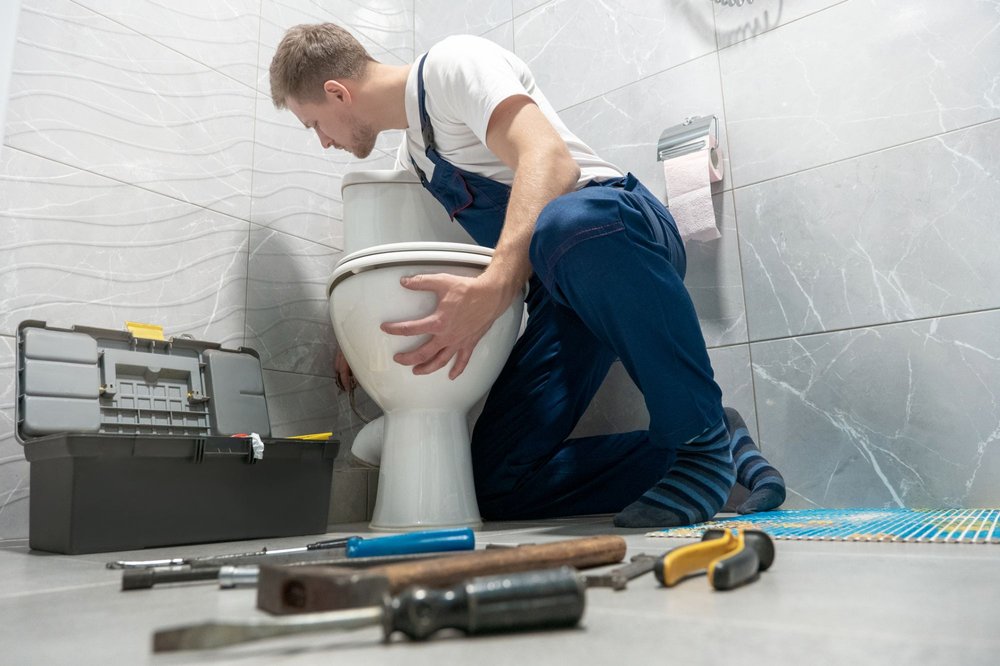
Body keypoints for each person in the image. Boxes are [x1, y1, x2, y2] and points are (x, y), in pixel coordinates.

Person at [268, 23, 786, 527]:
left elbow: (551, 162)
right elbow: (402, 249)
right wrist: (362, 335)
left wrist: (496, 286)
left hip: (616, 232)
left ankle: (698, 443)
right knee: (497, 483)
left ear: (337, 93)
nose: (322, 142)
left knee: (566, 223)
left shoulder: (453, 66)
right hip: (560, 292)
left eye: (314, 124)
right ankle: (717, 444)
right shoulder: (417, 159)